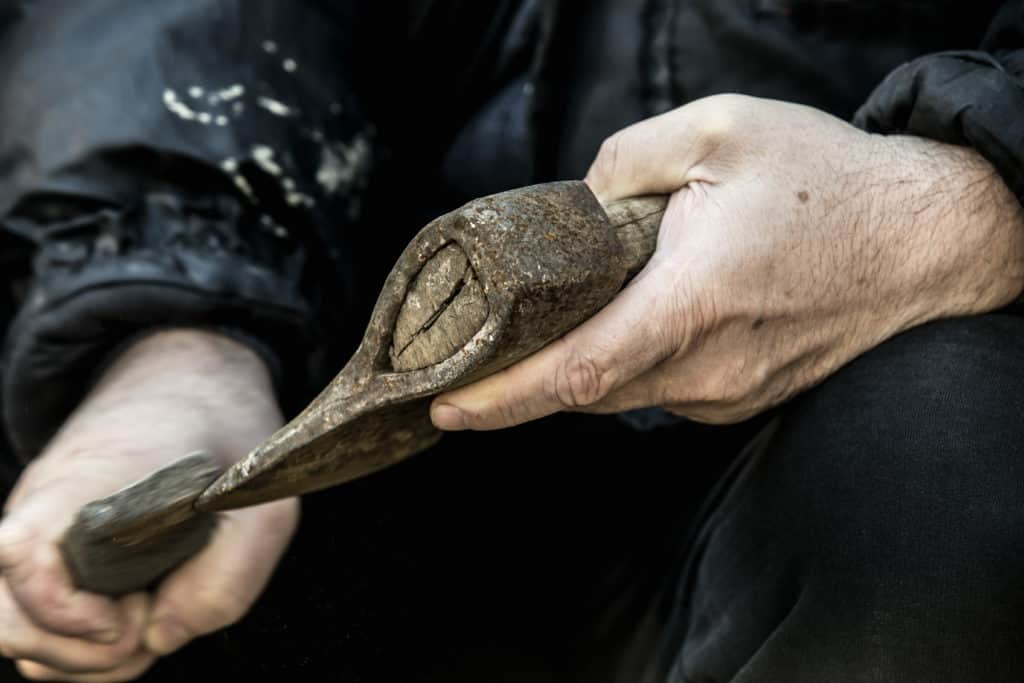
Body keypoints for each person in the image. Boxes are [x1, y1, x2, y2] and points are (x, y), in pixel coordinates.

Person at [1, 1, 1023, 681]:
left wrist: (968, 199)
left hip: (832, 440)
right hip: (344, 369)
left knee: (946, 453)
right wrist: (176, 327)